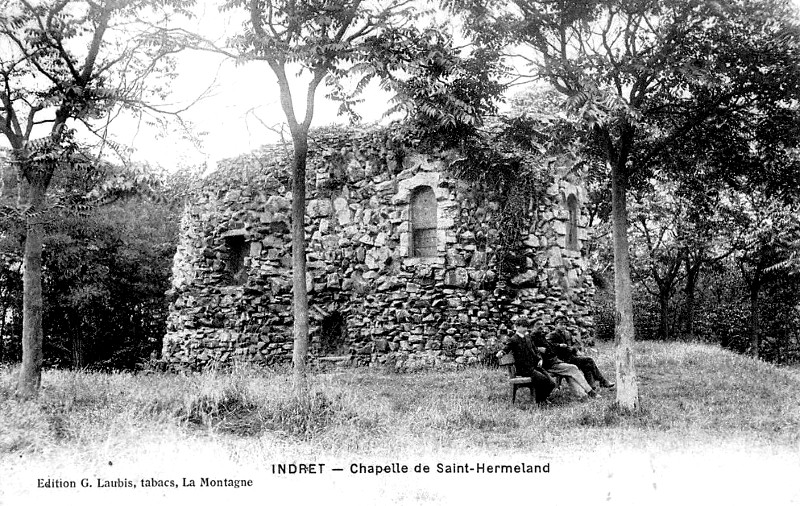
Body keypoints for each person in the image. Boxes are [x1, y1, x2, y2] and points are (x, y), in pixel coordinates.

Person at [528, 321, 599, 399]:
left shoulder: (541, 336)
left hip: (553, 361)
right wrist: (538, 350)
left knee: (570, 373)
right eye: (538, 326)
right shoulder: (531, 338)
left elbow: (550, 346)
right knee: (573, 368)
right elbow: (529, 351)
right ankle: (590, 392)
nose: (541, 328)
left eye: (542, 326)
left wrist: (558, 346)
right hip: (547, 365)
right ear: (533, 327)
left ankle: (582, 395)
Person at [496, 318, 556, 404]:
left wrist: (539, 359)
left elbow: (535, 350)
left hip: (534, 366)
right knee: (543, 380)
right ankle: (539, 401)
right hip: (524, 369)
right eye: (523, 327)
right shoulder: (514, 339)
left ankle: (541, 398)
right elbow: (507, 347)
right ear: (517, 327)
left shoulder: (528, 338)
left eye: (526, 327)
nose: (526, 329)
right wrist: (501, 352)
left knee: (552, 382)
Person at [547, 317, 615, 389]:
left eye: (565, 325)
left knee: (587, 363)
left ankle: (592, 385)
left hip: (571, 357)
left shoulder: (567, 333)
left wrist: (575, 349)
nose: (563, 326)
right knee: (588, 361)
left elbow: (574, 344)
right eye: (561, 324)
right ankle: (602, 382)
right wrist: (559, 345)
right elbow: (548, 346)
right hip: (561, 360)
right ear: (556, 325)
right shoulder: (552, 335)